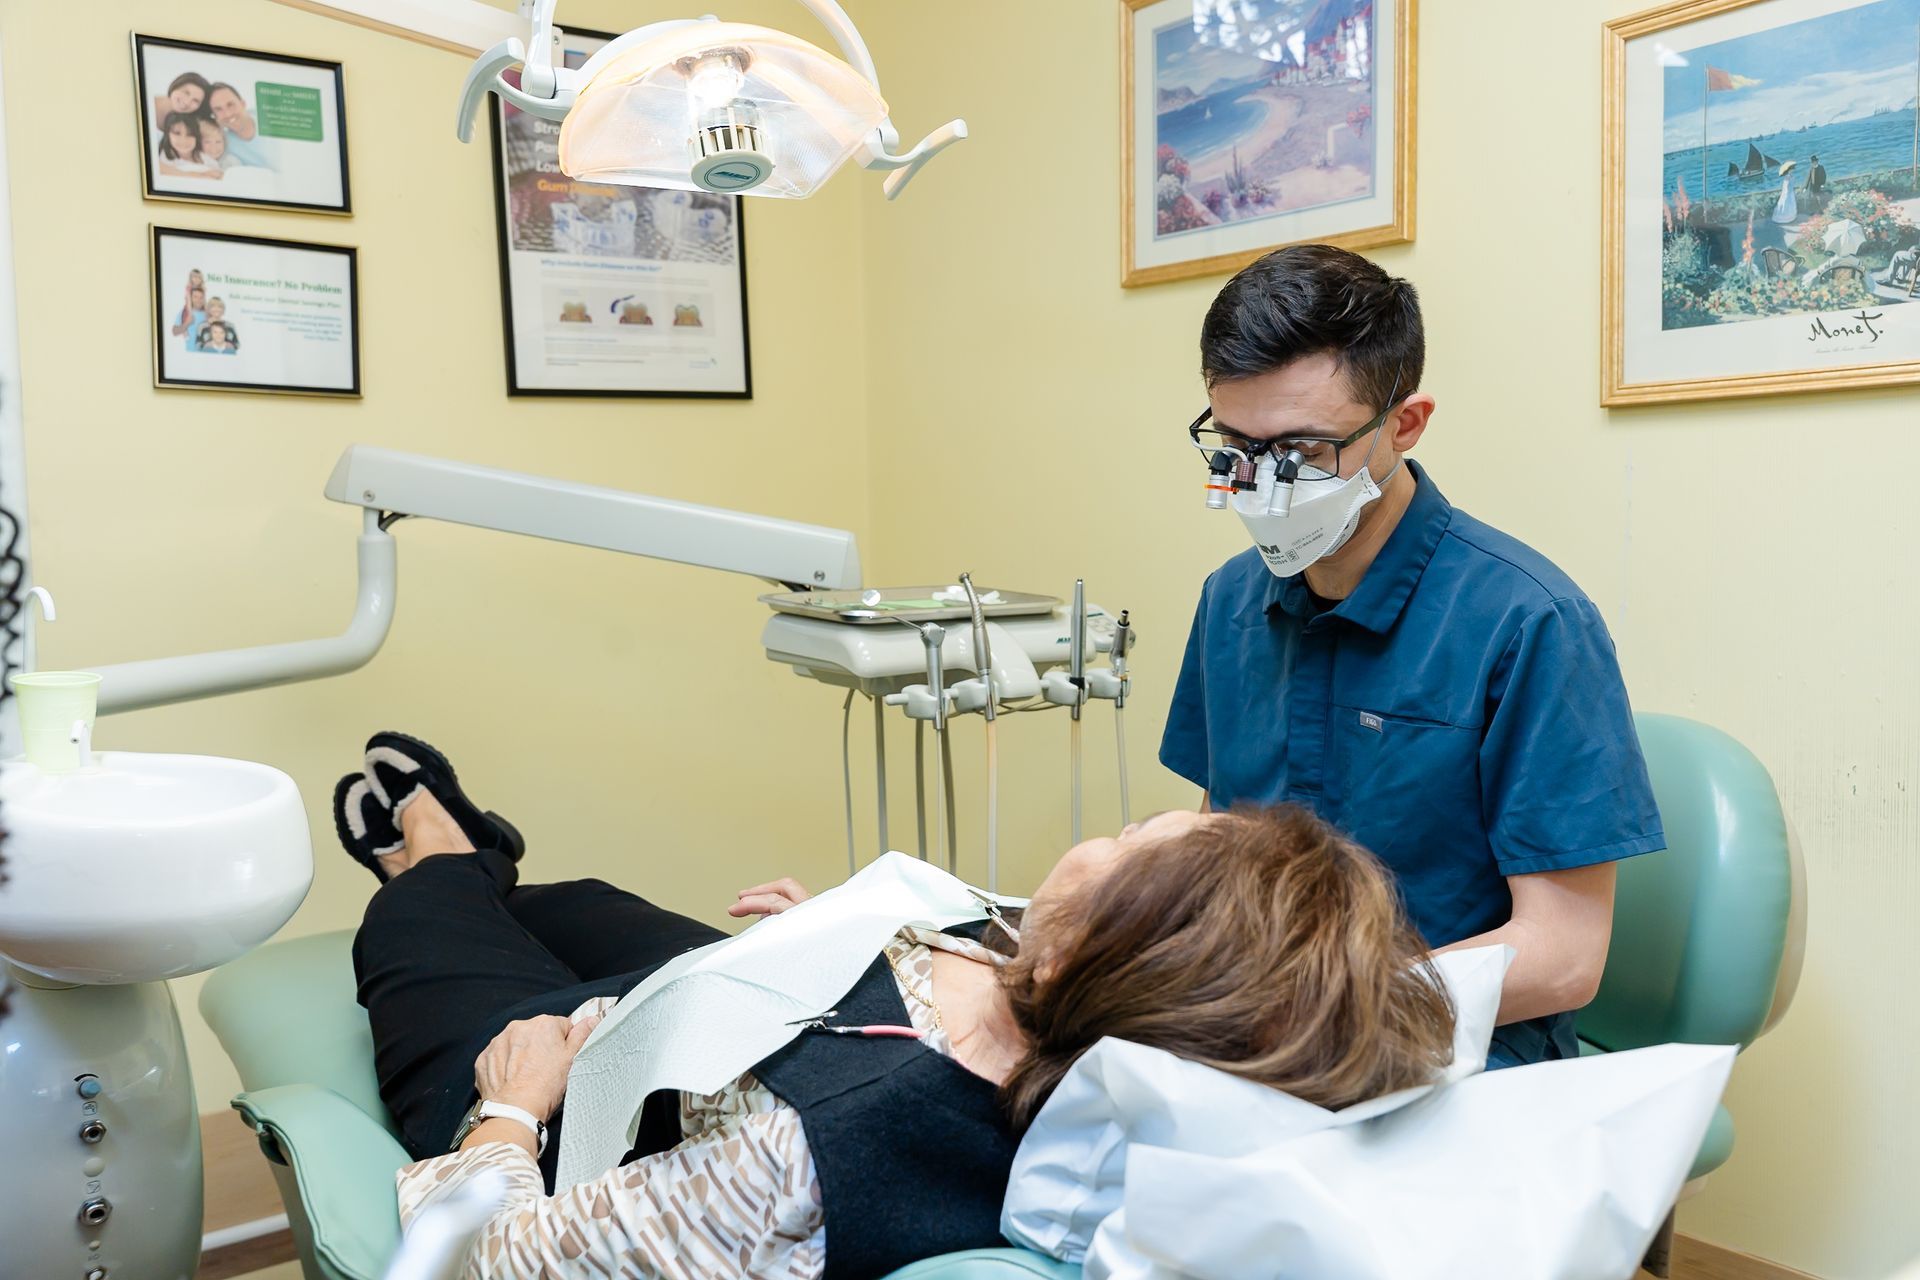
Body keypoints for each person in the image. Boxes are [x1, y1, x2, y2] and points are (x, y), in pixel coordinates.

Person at [335, 732, 1456, 1280]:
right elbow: (940, 987)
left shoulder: (815, 1157)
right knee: (580, 900)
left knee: (413, 926)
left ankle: (438, 855)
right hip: (759, 1001)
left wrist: (508, 1111)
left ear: (1089, 957)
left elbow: (492, 1260)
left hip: (576, 1077)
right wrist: (846, 931)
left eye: (1123, 845)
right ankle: (491, 874)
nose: (1103, 837)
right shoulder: (1080, 1017)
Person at [1163, 244, 1664, 1071]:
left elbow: (1565, 956)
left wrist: (1330, 1012)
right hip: (1267, 1030)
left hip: (1452, 1041)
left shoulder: (1527, 622)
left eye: (1302, 451)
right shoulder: (1231, 601)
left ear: (1404, 424)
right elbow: (1227, 848)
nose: (1262, 485)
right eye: (1237, 446)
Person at [207, 82, 279, 171]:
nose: (228, 114)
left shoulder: (271, 117)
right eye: (218, 109)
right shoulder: (222, 144)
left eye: (230, 104)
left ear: (243, 104)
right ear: (215, 116)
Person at [156, 111, 220, 180]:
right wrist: (198, 175)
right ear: (168, 135)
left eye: (190, 134)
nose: (183, 140)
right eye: (177, 133)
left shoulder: (204, 156)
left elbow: (220, 175)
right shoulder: (164, 160)